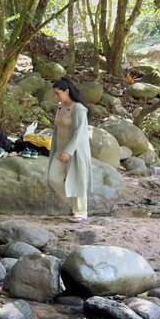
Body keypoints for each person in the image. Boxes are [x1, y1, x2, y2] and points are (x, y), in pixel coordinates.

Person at [47, 77, 93, 222]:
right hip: (59, 150)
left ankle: (81, 213)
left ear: (67, 91)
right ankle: (73, 205)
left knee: (78, 180)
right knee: (52, 178)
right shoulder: (60, 107)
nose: (56, 97)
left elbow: (79, 132)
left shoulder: (79, 109)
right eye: (54, 94)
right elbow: (57, 129)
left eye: (57, 93)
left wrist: (69, 151)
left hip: (75, 151)